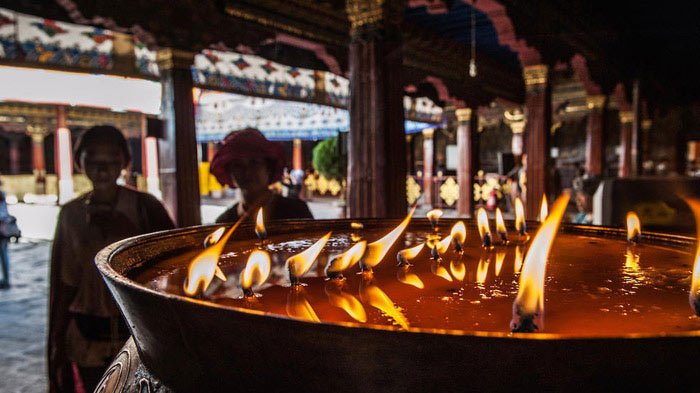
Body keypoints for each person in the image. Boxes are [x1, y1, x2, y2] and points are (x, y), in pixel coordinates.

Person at [48, 125, 174, 393]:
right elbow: (63, 283)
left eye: (112, 158)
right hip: (88, 334)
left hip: (137, 331)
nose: (102, 168)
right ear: (79, 162)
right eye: (92, 158)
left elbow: (171, 268)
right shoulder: (71, 215)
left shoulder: (145, 207)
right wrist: (55, 341)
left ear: (125, 162)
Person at [210, 128, 313, 223]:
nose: (247, 172)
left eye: (254, 163)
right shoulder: (225, 222)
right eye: (238, 165)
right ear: (230, 172)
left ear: (269, 168)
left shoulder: (297, 212)